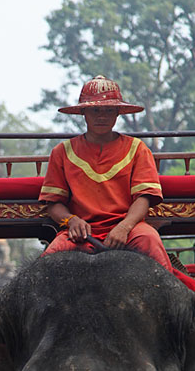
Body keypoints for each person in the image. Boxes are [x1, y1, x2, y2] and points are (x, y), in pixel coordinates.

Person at [38, 75, 172, 271]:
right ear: (83, 113)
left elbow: (144, 198)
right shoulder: (62, 152)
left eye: (108, 110)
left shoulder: (137, 149)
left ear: (118, 113)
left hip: (131, 228)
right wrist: (71, 221)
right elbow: (53, 204)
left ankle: (172, 299)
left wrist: (124, 227)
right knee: (45, 267)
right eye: (95, 110)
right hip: (81, 233)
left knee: (150, 241)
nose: (102, 116)